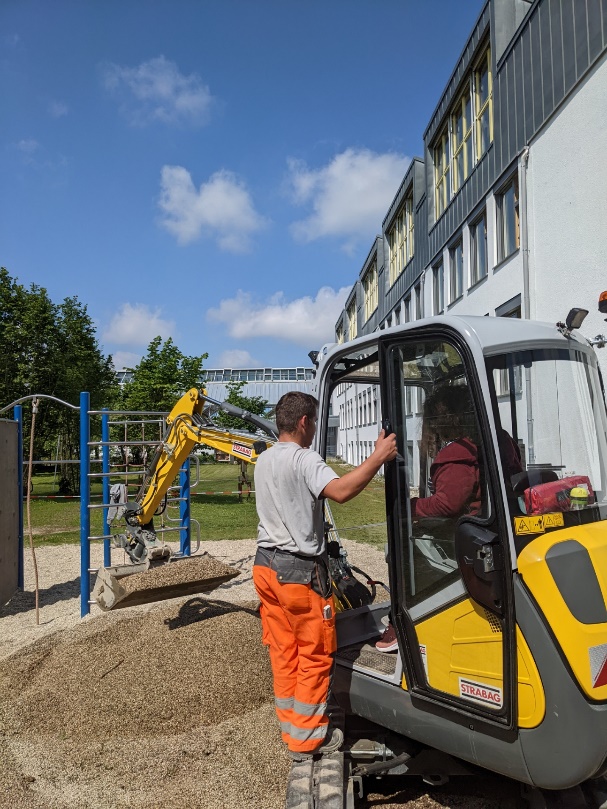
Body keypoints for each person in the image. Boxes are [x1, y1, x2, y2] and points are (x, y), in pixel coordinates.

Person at [253, 391, 397, 761]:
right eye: (315, 421)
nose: (316, 428)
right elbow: (342, 491)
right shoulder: (304, 459)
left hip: (265, 567)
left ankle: (291, 726)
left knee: (284, 651)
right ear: (305, 422)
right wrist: (378, 457)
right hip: (298, 575)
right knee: (315, 654)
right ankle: (306, 740)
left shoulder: (264, 459)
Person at [376, 384, 480, 653]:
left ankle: (402, 621)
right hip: (480, 528)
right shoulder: (492, 440)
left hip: (465, 537)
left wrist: (409, 509)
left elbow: (447, 503)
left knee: (400, 549)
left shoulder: (458, 454)